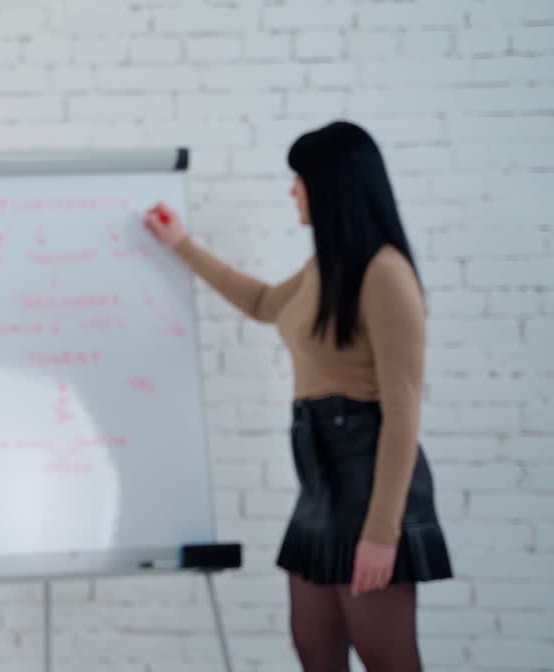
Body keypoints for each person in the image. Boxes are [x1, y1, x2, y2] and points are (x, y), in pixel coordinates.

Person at [145, 120, 452, 672]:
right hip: (320, 480)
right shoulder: (327, 268)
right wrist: (181, 246)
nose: (293, 191)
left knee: (386, 655)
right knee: (314, 645)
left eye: (299, 180)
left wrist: (382, 534)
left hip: (369, 479)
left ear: (330, 186)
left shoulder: (386, 275)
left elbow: (403, 414)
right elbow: (264, 303)